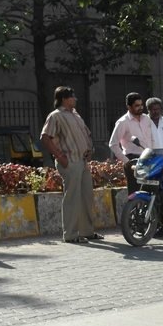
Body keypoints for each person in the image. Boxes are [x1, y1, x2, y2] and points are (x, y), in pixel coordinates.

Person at [40, 86, 103, 244]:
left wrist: (90, 150)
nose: (75, 99)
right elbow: (45, 137)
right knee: (72, 198)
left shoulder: (76, 115)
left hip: (83, 161)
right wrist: (61, 158)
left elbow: (86, 134)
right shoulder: (56, 116)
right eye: (72, 97)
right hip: (70, 162)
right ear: (64, 99)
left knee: (86, 196)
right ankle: (70, 235)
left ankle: (87, 232)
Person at [108, 92, 153, 194]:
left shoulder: (146, 119)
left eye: (141, 105)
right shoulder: (123, 122)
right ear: (129, 107)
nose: (140, 108)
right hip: (133, 159)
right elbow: (113, 144)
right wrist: (127, 161)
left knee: (150, 190)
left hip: (149, 158)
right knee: (135, 192)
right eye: (137, 106)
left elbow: (152, 139)